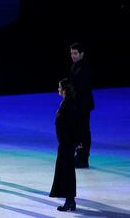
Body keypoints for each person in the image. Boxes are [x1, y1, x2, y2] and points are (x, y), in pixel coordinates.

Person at [50, 78, 78, 212]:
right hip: (66, 143)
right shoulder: (67, 103)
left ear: (65, 90)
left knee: (67, 172)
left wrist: (71, 142)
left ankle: (69, 201)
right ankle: (70, 200)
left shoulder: (68, 105)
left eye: (60, 87)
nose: (58, 89)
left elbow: (72, 126)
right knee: (67, 171)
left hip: (67, 144)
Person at [70, 42, 94, 168]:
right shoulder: (75, 66)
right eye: (71, 53)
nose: (73, 56)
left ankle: (83, 158)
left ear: (82, 54)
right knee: (79, 130)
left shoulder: (84, 67)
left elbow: (83, 87)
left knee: (83, 131)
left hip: (83, 105)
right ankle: (79, 155)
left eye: (75, 53)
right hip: (78, 104)